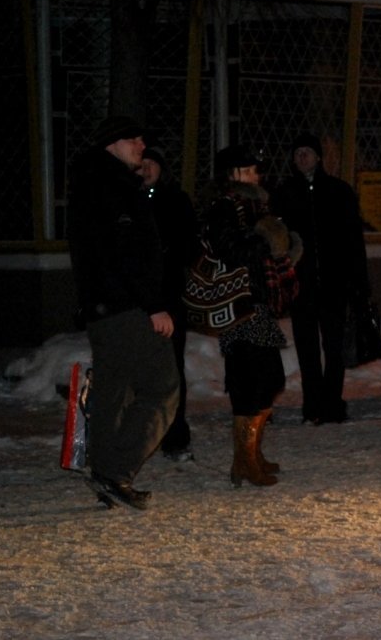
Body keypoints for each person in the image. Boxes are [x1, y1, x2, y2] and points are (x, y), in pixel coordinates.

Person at [67, 115, 180, 510]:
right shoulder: (112, 188)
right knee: (162, 387)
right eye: (134, 140)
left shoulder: (91, 183)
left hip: (105, 307)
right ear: (112, 144)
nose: (141, 147)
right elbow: (127, 254)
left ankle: (105, 470)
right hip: (126, 308)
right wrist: (153, 305)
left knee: (112, 391)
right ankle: (116, 469)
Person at [202, 144, 301, 487]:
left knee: (269, 378)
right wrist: (264, 240)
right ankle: (244, 460)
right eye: (247, 170)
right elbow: (228, 251)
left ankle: (251, 453)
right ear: (232, 174)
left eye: (255, 170)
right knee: (249, 380)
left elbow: (267, 248)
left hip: (258, 302)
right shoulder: (223, 206)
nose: (255, 176)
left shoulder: (256, 206)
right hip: (238, 305)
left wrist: (283, 245)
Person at [269, 133, 370, 425]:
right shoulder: (284, 192)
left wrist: (358, 281)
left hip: (334, 282)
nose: (302, 156)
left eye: (307, 152)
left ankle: (332, 403)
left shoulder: (339, 191)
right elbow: (276, 238)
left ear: (318, 157)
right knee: (307, 347)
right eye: (297, 152)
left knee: (334, 346)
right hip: (299, 283)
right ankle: (312, 405)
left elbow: (353, 240)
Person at [140, 146, 200, 462]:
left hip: (170, 296)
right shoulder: (129, 199)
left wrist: (169, 254)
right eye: (142, 163)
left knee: (172, 368)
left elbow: (190, 246)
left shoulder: (176, 200)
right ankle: (141, 436)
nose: (147, 169)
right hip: (137, 299)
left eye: (152, 163)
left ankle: (175, 435)